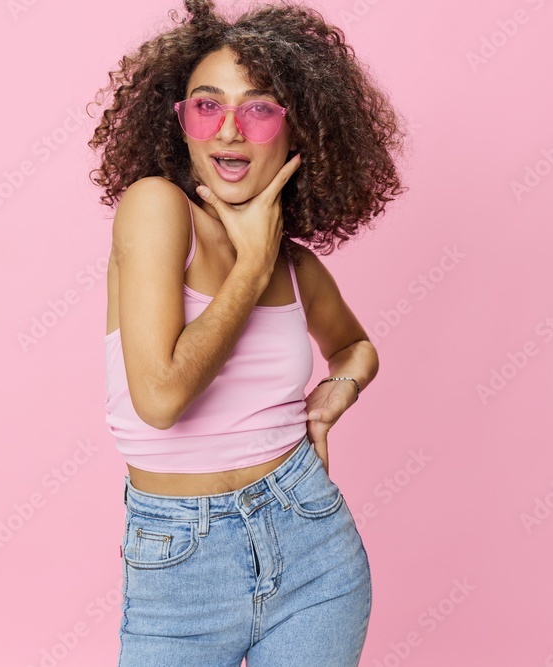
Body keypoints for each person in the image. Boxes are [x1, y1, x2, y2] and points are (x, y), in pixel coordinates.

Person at [87, 0, 406, 664]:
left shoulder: (296, 267)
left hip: (312, 548)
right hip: (177, 565)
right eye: (207, 105)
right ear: (180, 124)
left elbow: (357, 345)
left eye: (258, 108)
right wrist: (250, 264)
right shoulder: (155, 208)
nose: (229, 127)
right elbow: (161, 396)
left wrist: (334, 393)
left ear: (298, 132)